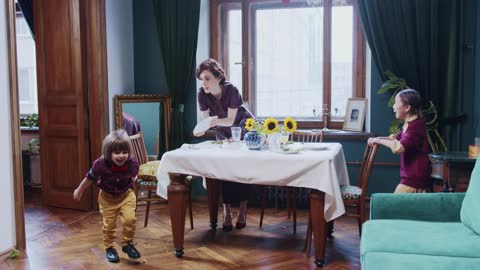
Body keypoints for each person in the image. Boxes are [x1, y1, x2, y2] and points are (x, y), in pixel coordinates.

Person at [194, 58, 254, 231]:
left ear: (218, 77)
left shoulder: (232, 90)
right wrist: (200, 128)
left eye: (207, 78)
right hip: (223, 131)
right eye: (201, 78)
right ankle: (226, 212)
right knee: (224, 170)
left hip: (243, 128)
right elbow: (207, 121)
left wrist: (210, 123)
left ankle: (242, 211)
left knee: (243, 170)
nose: (203, 83)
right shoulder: (202, 94)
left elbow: (231, 119)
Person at [73, 129, 141, 263]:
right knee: (109, 225)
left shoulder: (132, 163)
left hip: (126, 195)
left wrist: (134, 177)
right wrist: (79, 190)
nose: (121, 156)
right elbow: (89, 178)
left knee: (129, 219)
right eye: (117, 152)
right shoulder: (100, 164)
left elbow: (134, 176)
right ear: (108, 152)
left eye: (124, 152)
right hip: (107, 198)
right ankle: (109, 247)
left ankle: (127, 244)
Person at [367, 88, 432, 193]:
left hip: (414, 179)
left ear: (407, 107)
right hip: (410, 178)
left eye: (396, 103)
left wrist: (378, 141)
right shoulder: (409, 124)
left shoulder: (416, 126)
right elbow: (395, 139)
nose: (393, 107)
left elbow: (398, 146)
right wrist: (377, 139)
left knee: (394, 207)